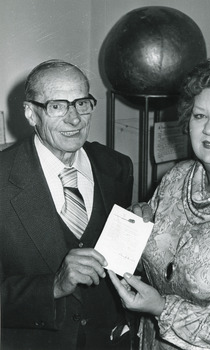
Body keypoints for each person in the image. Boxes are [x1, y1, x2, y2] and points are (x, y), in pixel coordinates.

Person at [108, 56, 210, 350]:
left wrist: (162, 308)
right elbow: (157, 263)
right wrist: (136, 230)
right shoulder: (177, 178)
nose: (209, 129)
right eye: (200, 116)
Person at [0, 59, 134, 350]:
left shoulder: (117, 167)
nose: (74, 120)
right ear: (31, 113)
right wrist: (53, 286)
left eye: (82, 103)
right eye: (57, 106)